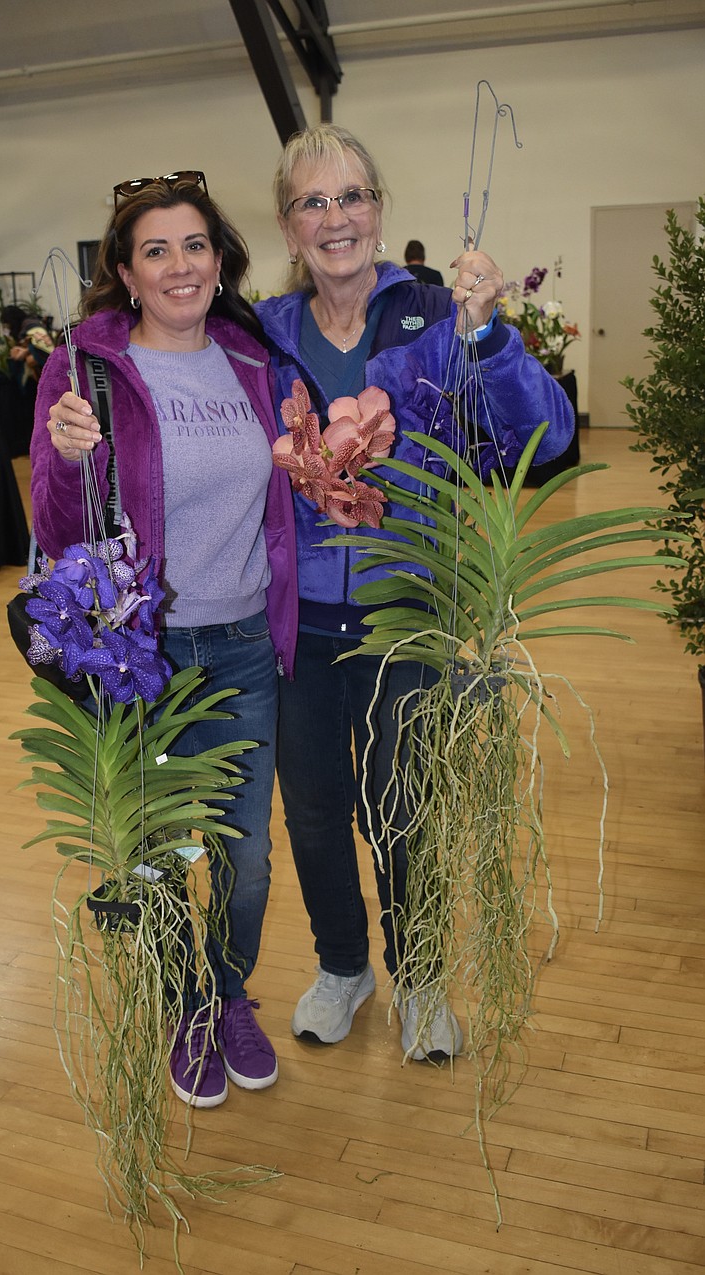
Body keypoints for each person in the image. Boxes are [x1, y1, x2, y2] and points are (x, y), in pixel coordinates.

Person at [256, 124, 574, 1061]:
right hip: (301, 621)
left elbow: (543, 439)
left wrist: (489, 335)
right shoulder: (264, 335)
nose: (336, 218)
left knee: (405, 805)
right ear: (288, 227)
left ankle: (423, 975)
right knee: (313, 809)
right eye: (313, 202)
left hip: (409, 615)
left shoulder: (437, 315)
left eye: (351, 196)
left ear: (379, 210)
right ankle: (344, 965)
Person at [30, 172, 297, 1109]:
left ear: (220, 260)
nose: (181, 266)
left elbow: (286, 489)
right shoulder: (85, 369)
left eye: (196, 246)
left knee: (243, 854)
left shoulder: (254, 360)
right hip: (140, 653)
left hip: (240, 643)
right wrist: (63, 459)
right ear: (126, 271)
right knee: (151, 847)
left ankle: (226, 995)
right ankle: (182, 1007)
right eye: (157, 250)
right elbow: (56, 529)